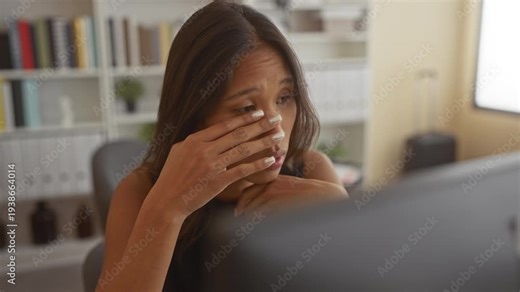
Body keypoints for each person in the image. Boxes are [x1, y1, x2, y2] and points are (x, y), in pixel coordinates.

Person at [96, 1, 348, 291]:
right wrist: (168, 209)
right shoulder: (140, 192)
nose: (277, 131)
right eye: (245, 108)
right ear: (195, 117)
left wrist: (339, 216)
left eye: (284, 97)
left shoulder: (313, 169)